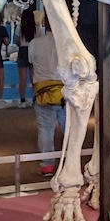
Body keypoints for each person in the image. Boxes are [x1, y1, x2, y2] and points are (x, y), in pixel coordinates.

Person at [28, 16, 65, 176]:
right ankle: (70, 162)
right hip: (64, 91)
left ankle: (47, 165)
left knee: (45, 129)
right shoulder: (66, 44)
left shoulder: (34, 43)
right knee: (69, 129)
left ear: (44, 24)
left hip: (42, 91)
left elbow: (31, 62)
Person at [16, 8, 35, 108]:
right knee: (34, 77)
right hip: (33, 51)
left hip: (23, 51)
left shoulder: (19, 27)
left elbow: (18, 42)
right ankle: (35, 100)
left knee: (22, 78)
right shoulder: (36, 27)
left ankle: (22, 101)